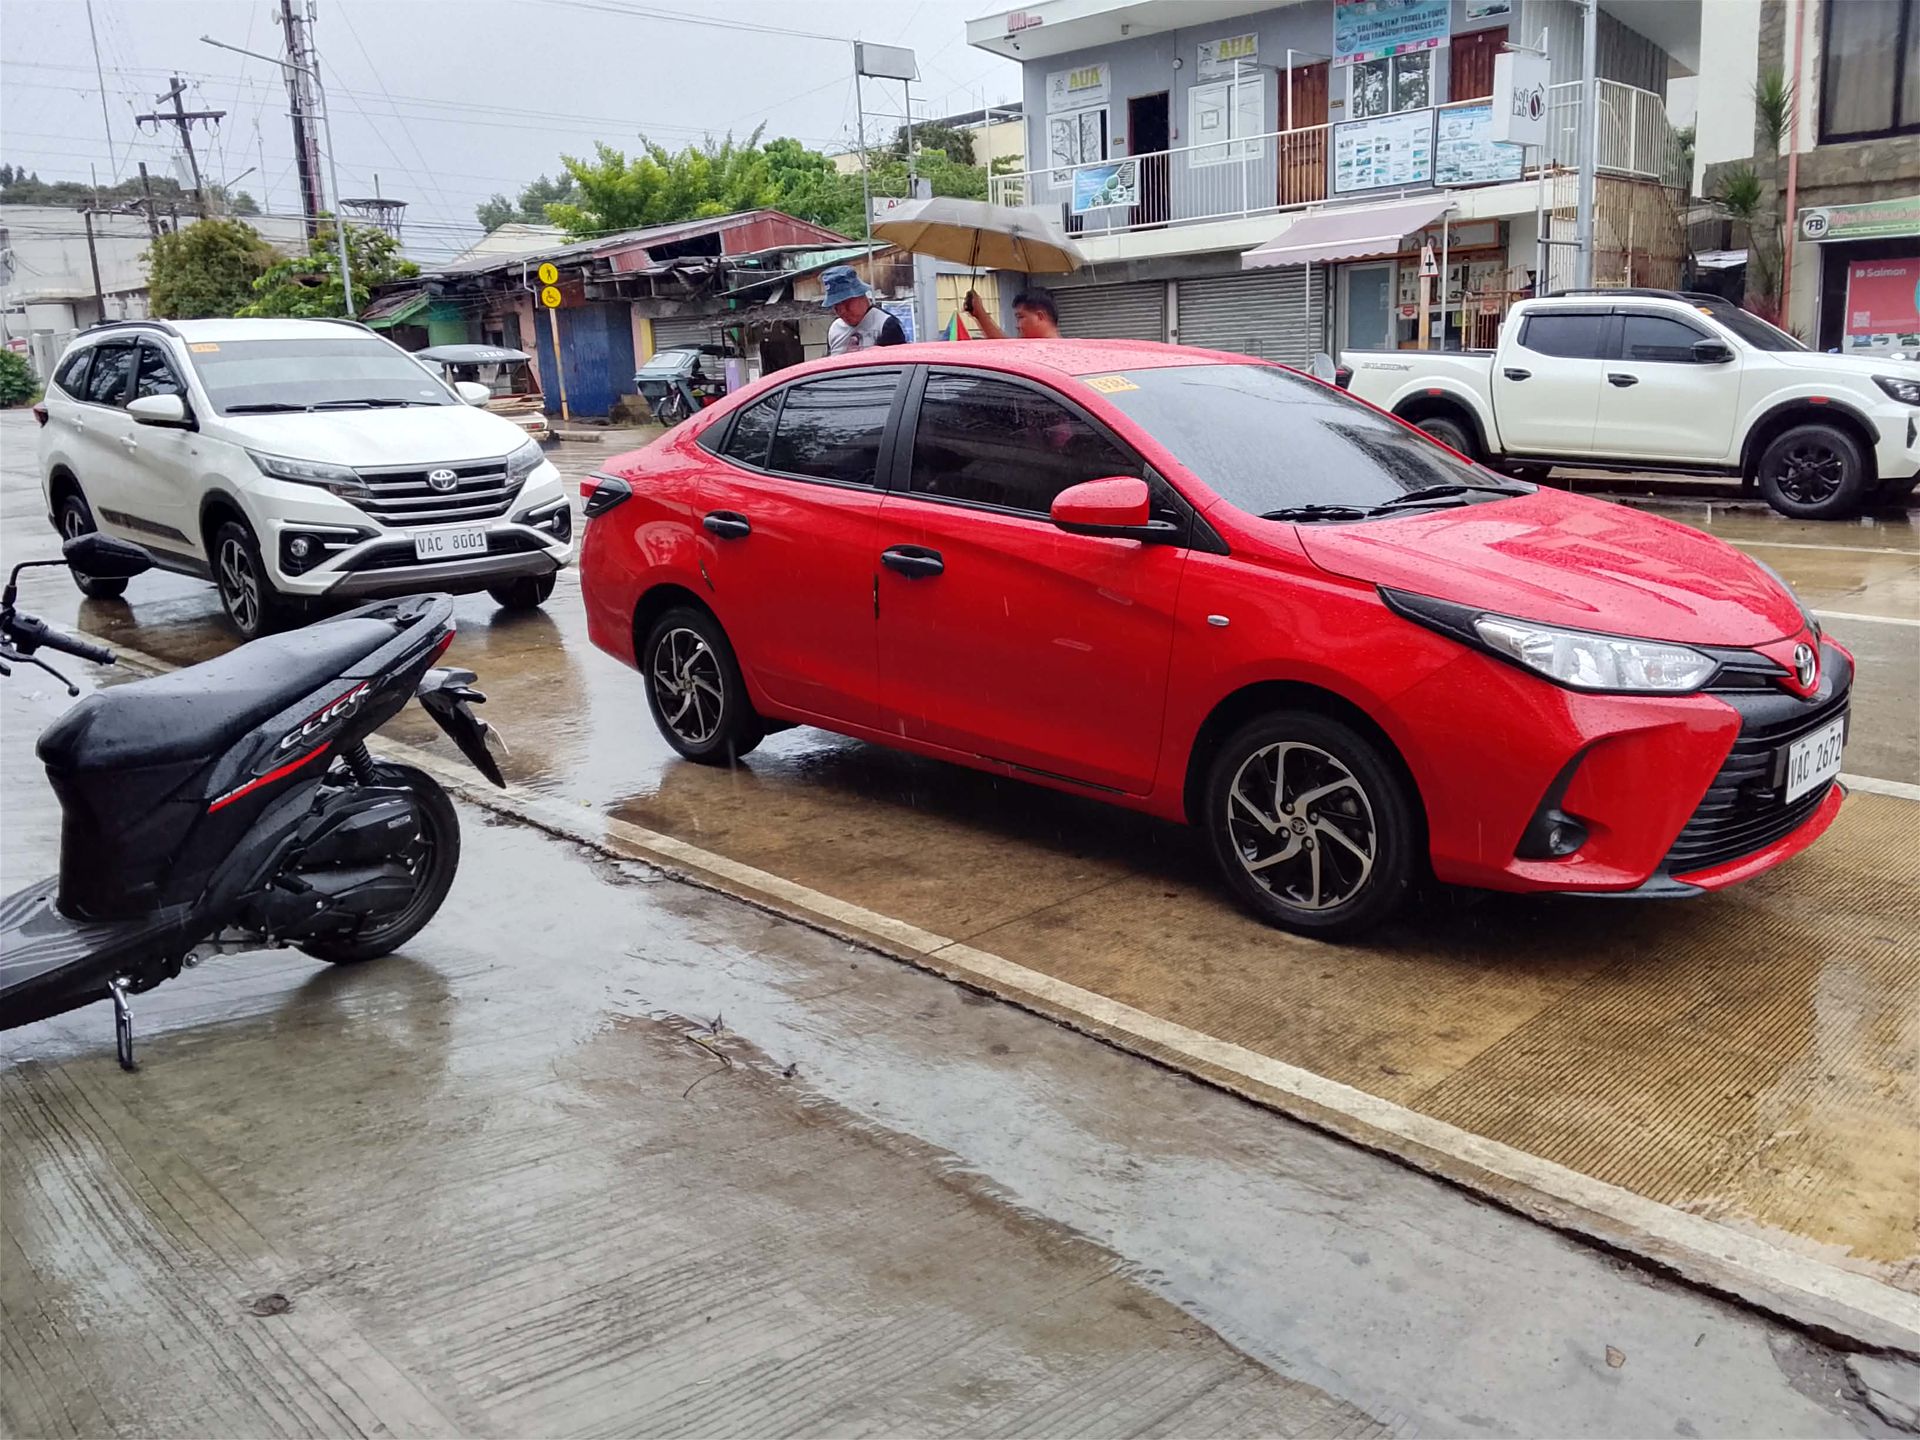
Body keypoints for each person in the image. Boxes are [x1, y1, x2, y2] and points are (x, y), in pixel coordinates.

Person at [823, 267, 906, 354]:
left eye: (846, 303)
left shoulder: (884, 325)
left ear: (861, 295)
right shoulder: (835, 329)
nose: (842, 311)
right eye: (836, 306)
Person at [964, 287, 1061, 340]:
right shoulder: (1036, 347)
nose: (1017, 326)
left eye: (1021, 317)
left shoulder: (1050, 351)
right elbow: (1005, 346)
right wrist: (979, 313)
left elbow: (1004, 348)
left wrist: (980, 313)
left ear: (1040, 316)